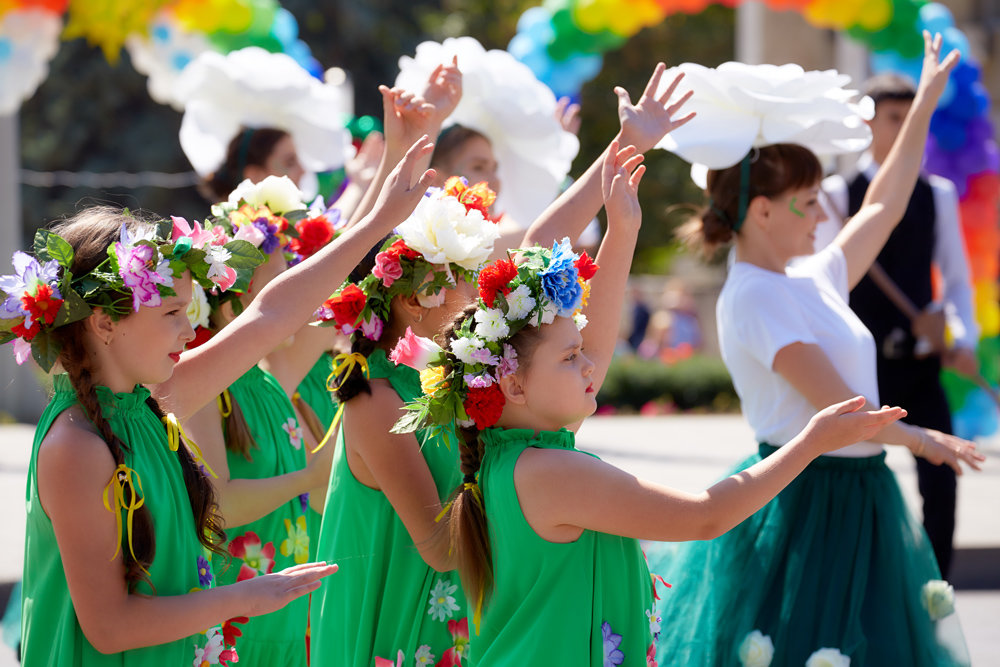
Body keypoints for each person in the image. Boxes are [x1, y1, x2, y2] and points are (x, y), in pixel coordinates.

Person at [387, 141, 906, 665]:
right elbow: (706, 518)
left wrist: (622, 233)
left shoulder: (514, 453)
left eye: (581, 352)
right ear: (514, 386)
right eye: (571, 359)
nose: (589, 365)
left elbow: (592, 345)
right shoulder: (550, 471)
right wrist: (811, 442)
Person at [9, 135, 437, 665]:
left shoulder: (151, 401)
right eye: (170, 314)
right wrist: (248, 596)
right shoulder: (77, 446)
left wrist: (376, 223)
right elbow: (110, 627)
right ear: (104, 324)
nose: (188, 331)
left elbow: (271, 315)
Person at [653, 33, 982, 665]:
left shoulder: (809, 276)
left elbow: (883, 205)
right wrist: (925, 441)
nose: (820, 216)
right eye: (807, 204)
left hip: (857, 494)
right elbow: (843, 411)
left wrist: (922, 108)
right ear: (762, 212)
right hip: (805, 504)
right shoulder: (754, 296)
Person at [817, 73, 978, 577]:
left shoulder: (940, 194)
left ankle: (935, 589)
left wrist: (955, 333)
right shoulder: (836, 195)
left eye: (913, 117)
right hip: (862, 369)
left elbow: (957, 280)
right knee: (859, 478)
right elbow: (824, 286)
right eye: (893, 117)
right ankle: (867, 586)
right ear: (868, 121)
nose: (905, 128)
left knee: (943, 480)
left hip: (920, 365)